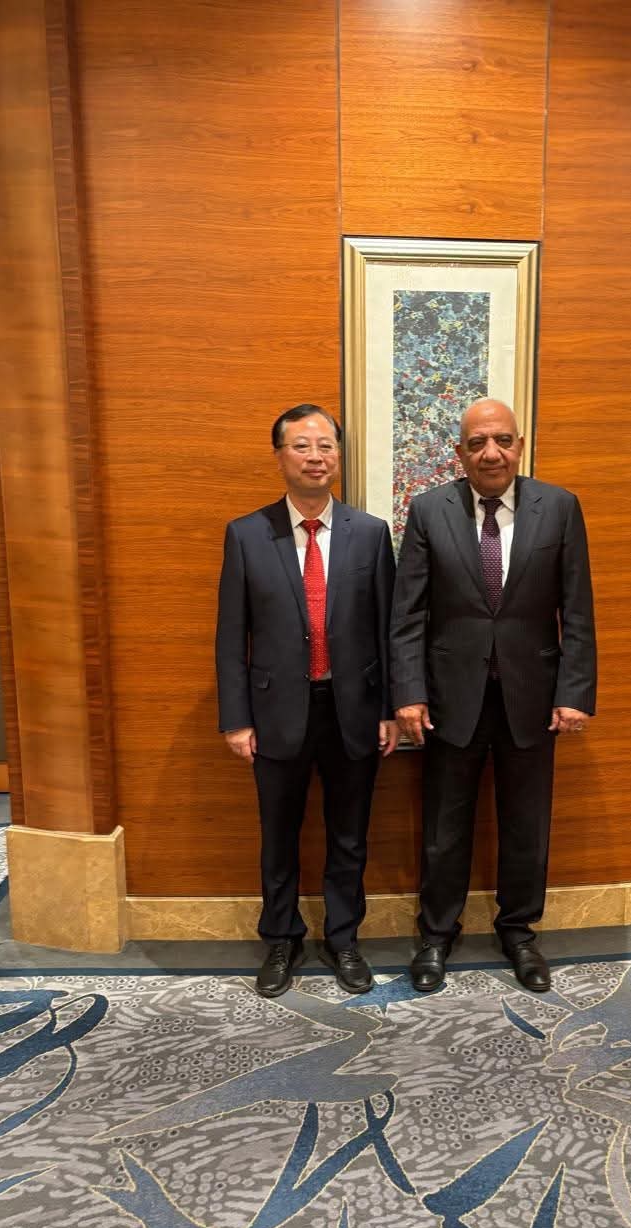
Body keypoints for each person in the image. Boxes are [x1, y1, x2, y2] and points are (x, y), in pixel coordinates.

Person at [390, 398, 596, 994]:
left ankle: (519, 932)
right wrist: (408, 692)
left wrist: (574, 691)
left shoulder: (559, 508)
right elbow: (408, 614)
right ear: (459, 452)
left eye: (503, 440)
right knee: (444, 828)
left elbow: (577, 609)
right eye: (478, 443)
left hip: (532, 698)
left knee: (527, 825)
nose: (491, 453)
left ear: (520, 446)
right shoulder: (428, 510)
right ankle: (436, 935)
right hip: (448, 699)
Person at [216, 404, 397, 998]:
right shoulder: (247, 534)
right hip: (275, 714)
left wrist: (390, 708)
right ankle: (281, 939)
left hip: (354, 710)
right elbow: (231, 635)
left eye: (325, 446)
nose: (315, 457)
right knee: (279, 834)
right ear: (280, 457)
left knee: (350, 834)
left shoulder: (370, 533)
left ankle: (343, 939)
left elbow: (388, 630)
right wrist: (236, 719)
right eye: (301, 446)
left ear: (338, 457)